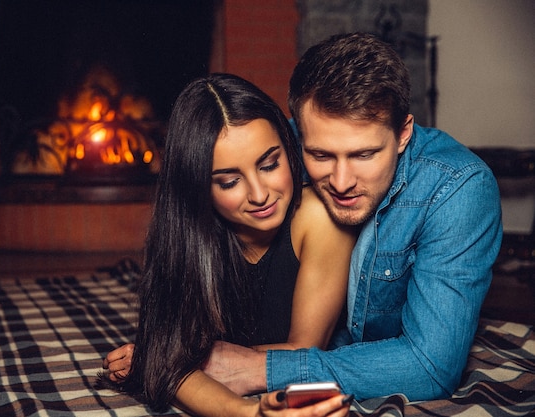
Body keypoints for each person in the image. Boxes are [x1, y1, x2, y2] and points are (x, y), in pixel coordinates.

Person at [199, 32, 503, 402]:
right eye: (321, 155)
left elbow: (430, 367)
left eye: (364, 155)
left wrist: (260, 370)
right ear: (298, 132)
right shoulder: (278, 153)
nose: (341, 183)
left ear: (403, 133)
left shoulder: (458, 189)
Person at [102, 73, 356, 416]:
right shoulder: (187, 237)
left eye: (269, 164)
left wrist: (166, 359)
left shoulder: (317, 218)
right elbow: (176, 363)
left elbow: (302, 354)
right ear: (198, 187)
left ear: (288, 147)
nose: (259, 193)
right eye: (229, 181)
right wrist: (246, 412)